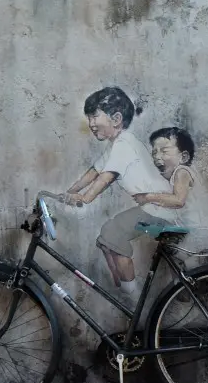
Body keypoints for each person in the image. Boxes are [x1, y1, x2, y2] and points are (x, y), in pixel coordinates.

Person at [65, 87, 176, 296]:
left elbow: (106, 178)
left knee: (113, 233)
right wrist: (69, 192)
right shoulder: (116, 146)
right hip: (155, 209)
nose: (91, 123)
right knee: (108, 235)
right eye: (89, 117)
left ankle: (131, 298)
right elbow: (93, 172)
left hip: (159, 209)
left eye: (95, 116)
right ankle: (123, 287)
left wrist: (85, 197)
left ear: (116, 118)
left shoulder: (125, 145)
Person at [132, 127, 208, 247]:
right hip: (200, 231)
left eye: (164, 151)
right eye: (154, 152)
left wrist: (147, 197)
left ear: (184, 157)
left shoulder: (182, 172)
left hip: (200, 233)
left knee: (186, 263)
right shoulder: (179, 175)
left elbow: (178, 201)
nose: (156, 156)